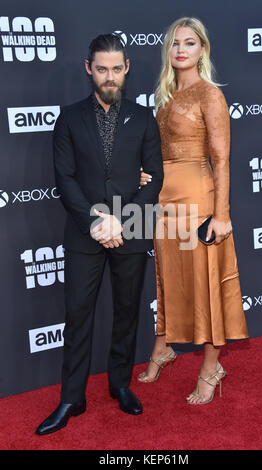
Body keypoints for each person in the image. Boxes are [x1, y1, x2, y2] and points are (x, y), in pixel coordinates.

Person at [35, 33, 163, 435]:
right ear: (89, 69)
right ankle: (72, 397)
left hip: (131, 230)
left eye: (117, 69)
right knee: (77, 318)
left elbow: (154, 178)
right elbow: (65, 179)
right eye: (102, 69)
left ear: (128, 69)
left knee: (127, 313)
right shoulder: (69, 118)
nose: (110, 77)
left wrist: (120, 221)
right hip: (84, 232)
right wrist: (96, 222)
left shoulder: (144, 118)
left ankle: (120, 385)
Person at [138, 17, 249, 405]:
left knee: (205, 279)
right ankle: (163, 347)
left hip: (199, 198)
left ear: (202, 49)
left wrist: (221, 215)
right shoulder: (165, 96)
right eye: (174, 43)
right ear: (167, 50)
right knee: (169, 279)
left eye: (190, 42)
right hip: (165, 200)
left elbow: (221, 159)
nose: (181, 49)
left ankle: (211, 367)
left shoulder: (210, 95)